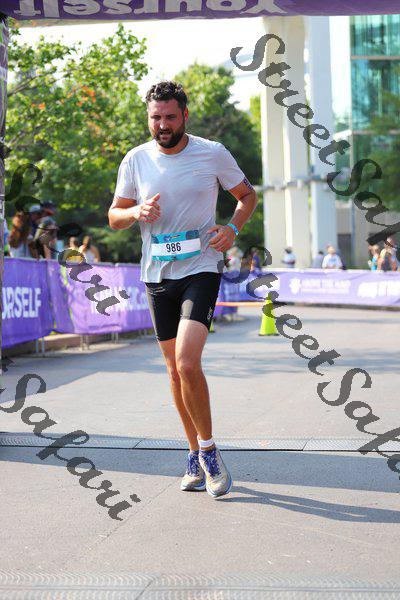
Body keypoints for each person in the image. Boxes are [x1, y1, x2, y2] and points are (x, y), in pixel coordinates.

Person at [108, 80, 258, 498]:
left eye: (170, 117)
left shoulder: (212, 153)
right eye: (155, 117)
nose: (163, 125)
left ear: (185, 116)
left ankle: (209, 452)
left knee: (187, 362)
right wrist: (136, 212)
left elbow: (247, 196)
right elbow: (114, 216)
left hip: (201, 267)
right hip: (157, 275)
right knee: (174, 370)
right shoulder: (136, 159)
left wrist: (232, 228)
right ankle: (193, 451)